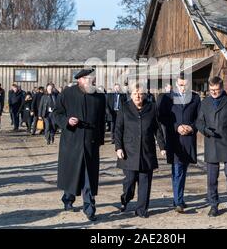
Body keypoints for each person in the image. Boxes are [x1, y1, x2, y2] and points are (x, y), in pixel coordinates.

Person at [53, 68, 106, 222]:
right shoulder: (67, 94)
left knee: (89, 176)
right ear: (80, 80)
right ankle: (68, 199)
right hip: (72, 141)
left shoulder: (99, 97)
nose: (93, 81)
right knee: (71, 173)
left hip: (91, 142)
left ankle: (89, 208)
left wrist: (100, 140)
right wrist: (67, 121)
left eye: (93, 79)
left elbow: (102, 120)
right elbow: (56, 113)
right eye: (90, 79)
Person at [115, 83, 166, 218]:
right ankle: (125, 198)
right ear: (131, 95)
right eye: (135, 93)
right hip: (129, 151)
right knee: (130, 180)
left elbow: (157, 129)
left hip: (146, 150)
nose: (138, 96)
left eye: (140, 93)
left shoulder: (152, 108)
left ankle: (141, 210)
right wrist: (118, 147)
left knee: (145, 181)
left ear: (144, 95)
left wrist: (162, 147)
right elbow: (118, 129)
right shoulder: (125, 108)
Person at [196, 77, 227, 217]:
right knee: (212, 179)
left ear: (222, 88)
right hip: (211, 143)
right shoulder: (204, 103)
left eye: (217, 90)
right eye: (211, 90)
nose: (214, 92)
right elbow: (199, 122)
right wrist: (205, 130)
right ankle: (213, 206)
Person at [158, 73, 201, 213]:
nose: (183, 88)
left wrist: (192, 127)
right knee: (178, 170)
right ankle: (178, 202)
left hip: (188, 138)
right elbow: (163, 118)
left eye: (185, 85)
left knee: (182, 170)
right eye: (180, 85)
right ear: (176, 83)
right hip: (174, 138)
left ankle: (178, 199)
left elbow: (200, 118)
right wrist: (176, 126)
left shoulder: (195, 98)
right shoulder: (167, 98)